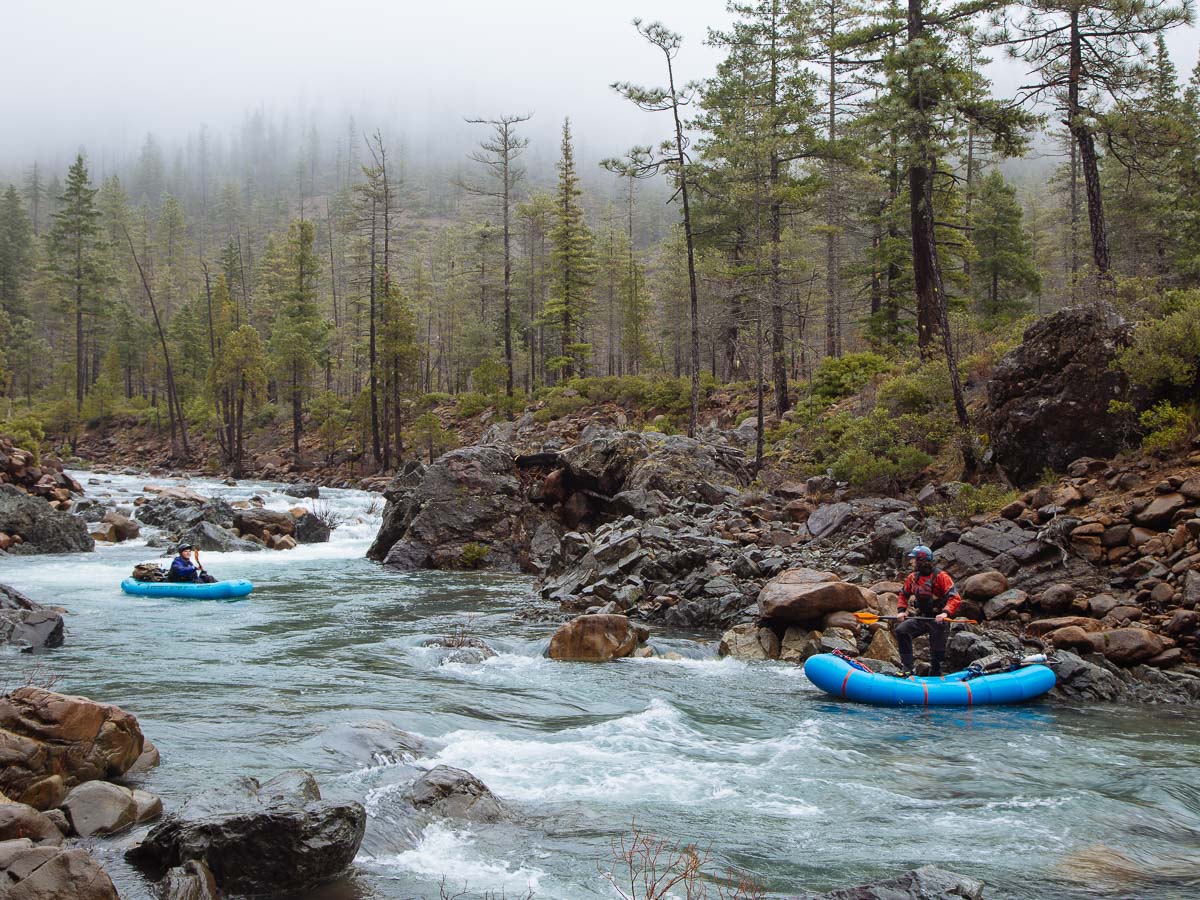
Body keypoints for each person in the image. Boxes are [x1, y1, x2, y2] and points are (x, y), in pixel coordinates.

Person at [895, 545, 960, 676]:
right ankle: (907, 667)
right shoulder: (913, 578)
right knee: (901, 630)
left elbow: (955, 598)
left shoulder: (941, 577)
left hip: (938, 619)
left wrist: (945, 613)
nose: (911, 562)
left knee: (937, 654)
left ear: (921, 560)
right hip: (922, 617)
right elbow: (903, 594)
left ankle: (936, 673)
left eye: (913, 559)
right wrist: (902, 610)